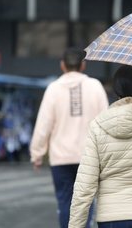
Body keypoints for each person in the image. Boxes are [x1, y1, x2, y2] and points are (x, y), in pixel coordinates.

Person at [69, 65, 132, 228]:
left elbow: (85, 184)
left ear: (116, 91)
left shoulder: (97, 125)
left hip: (111, 216)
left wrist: (76, 225)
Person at [30, 49, 109, 228]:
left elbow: (44, 125)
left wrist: (37, 153)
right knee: (86, 202)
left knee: (65, 203)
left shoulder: (53, 88)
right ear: (83, 65)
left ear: (62, 65)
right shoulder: (95, 86)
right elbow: (106, 121)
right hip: (89, 156)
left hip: (61, 157)